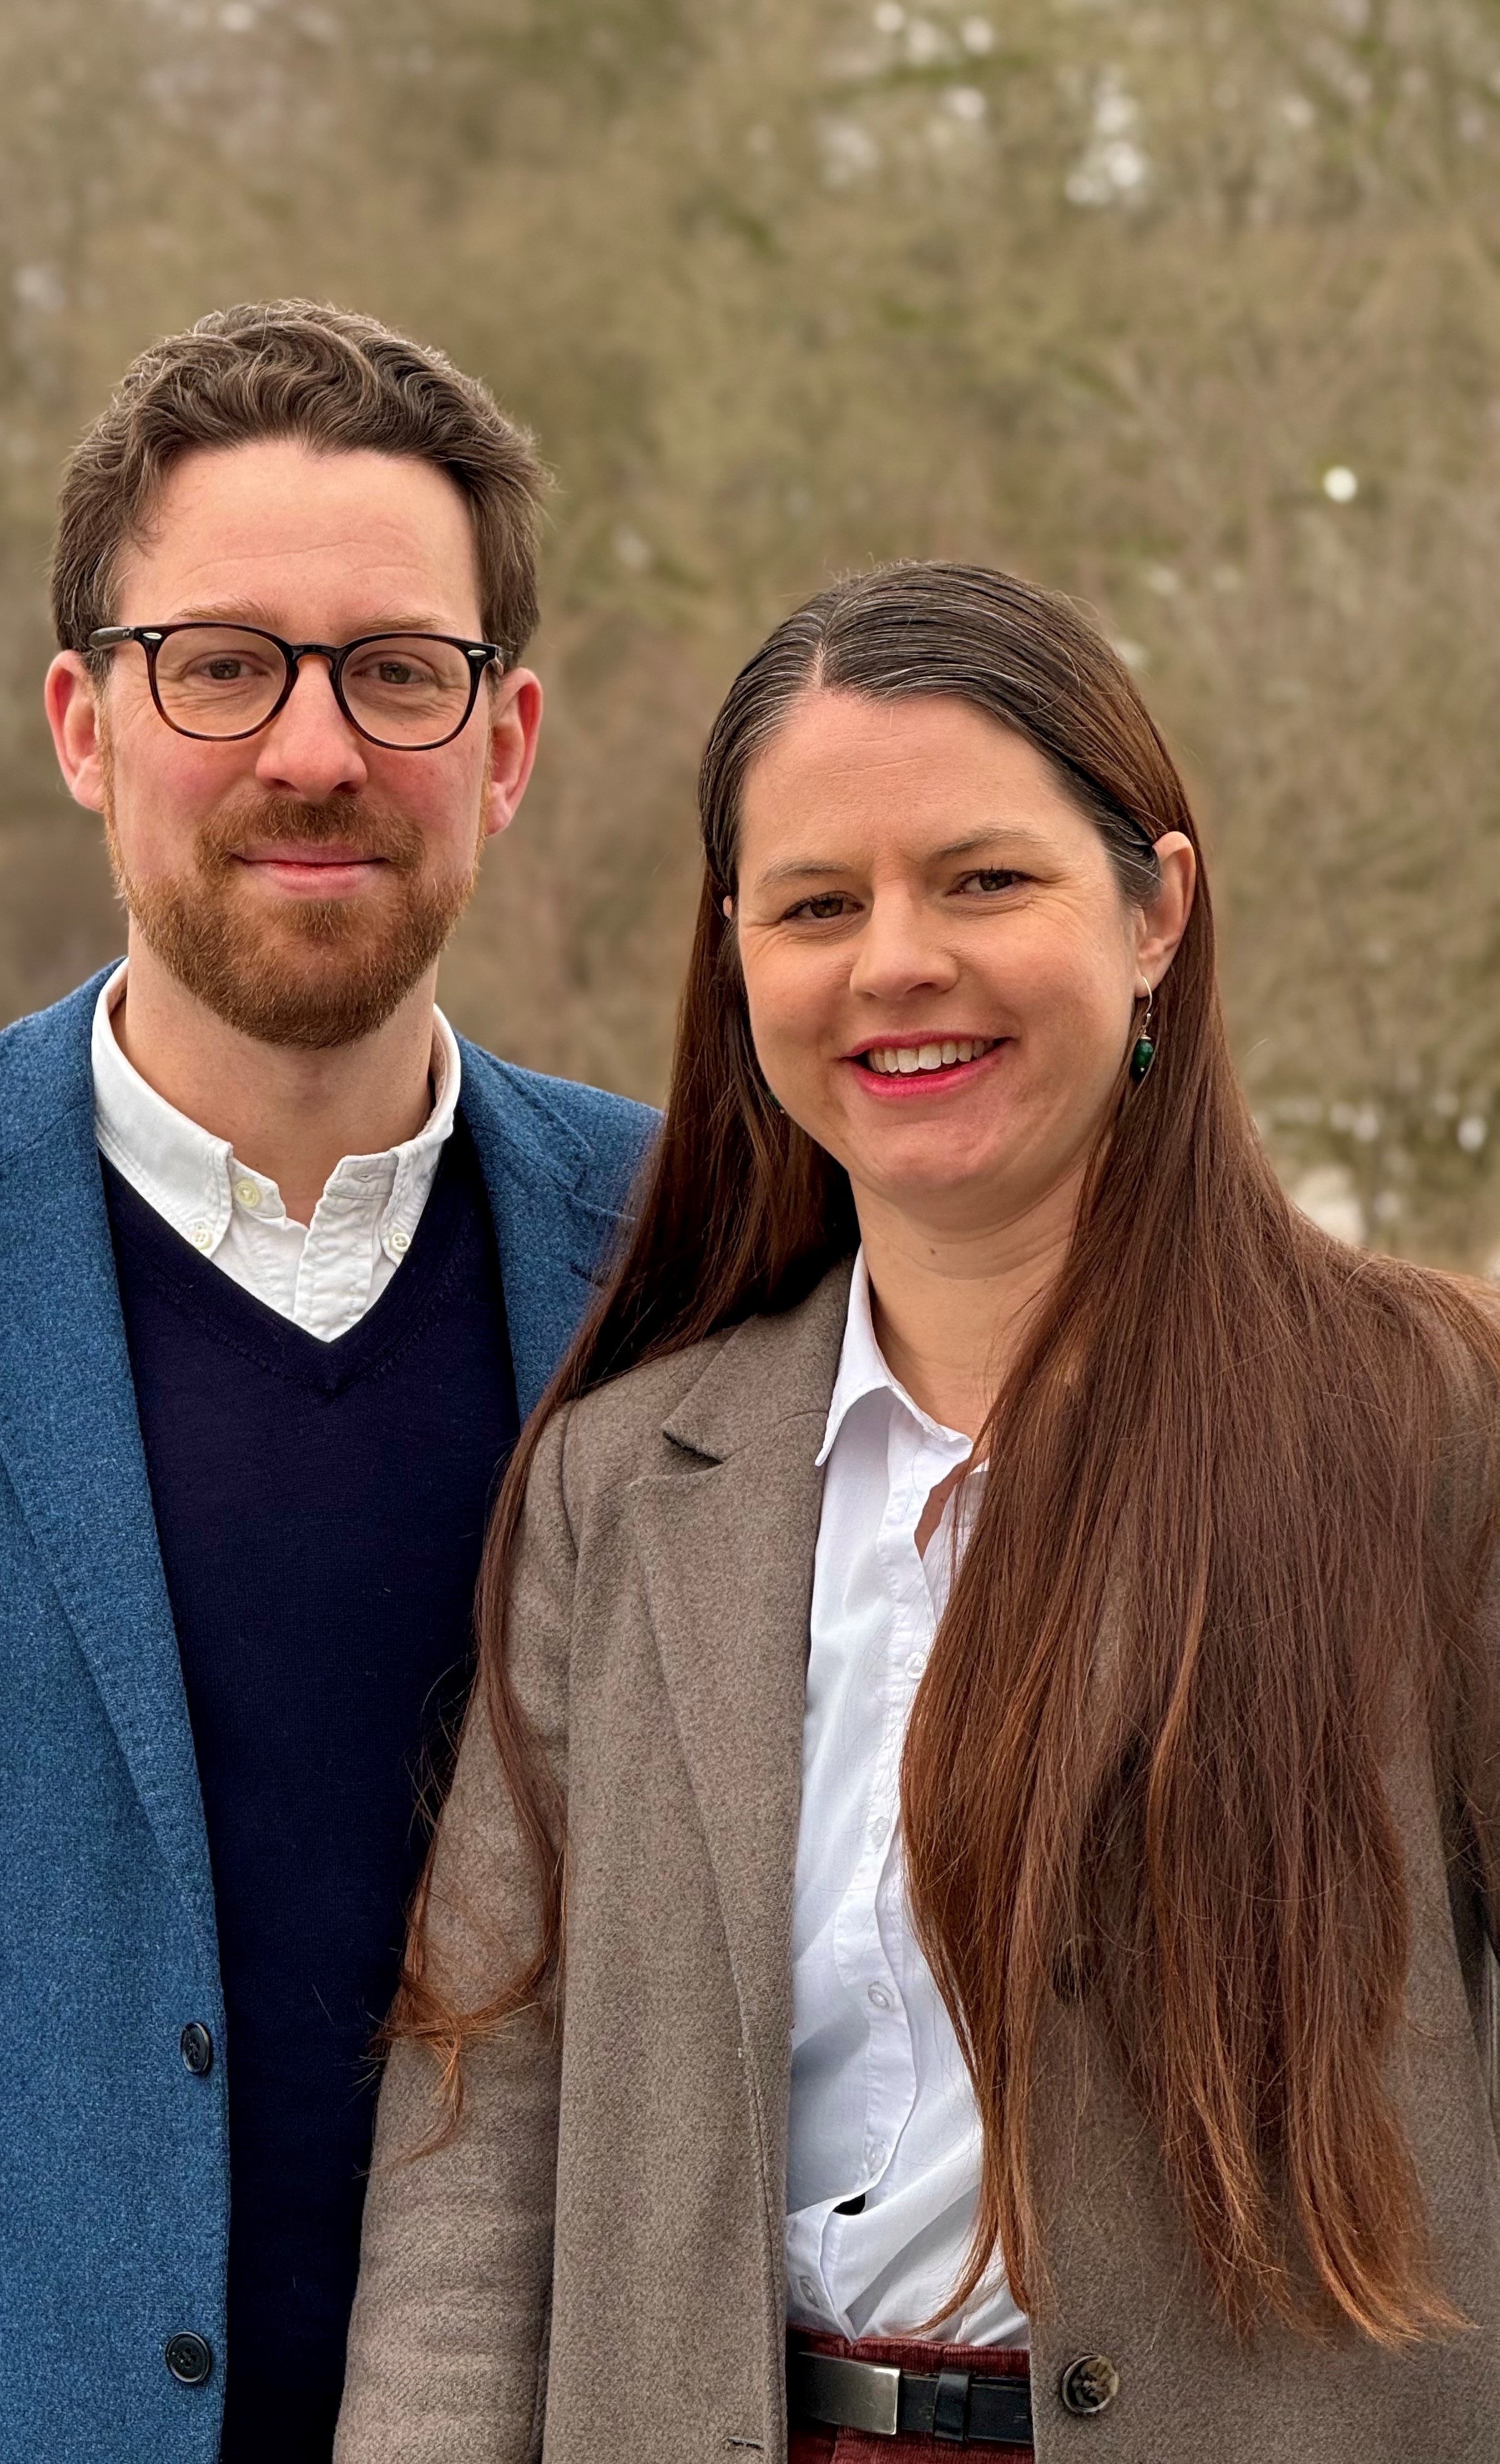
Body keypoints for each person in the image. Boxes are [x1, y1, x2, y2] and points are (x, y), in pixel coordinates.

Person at [336, 560, 1500, 2461]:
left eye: (981, 880)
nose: (894, 962)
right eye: (815, 905)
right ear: (737, 959)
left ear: (1154, 912)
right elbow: (486, 2156)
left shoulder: (1431, 1432)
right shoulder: (620, 1491)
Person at [0, 301, 653, 2464]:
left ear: (508, 742)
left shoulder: (684, 1256)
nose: (312, 750)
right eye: (220, 665)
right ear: (86, 726)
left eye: (398, 670)